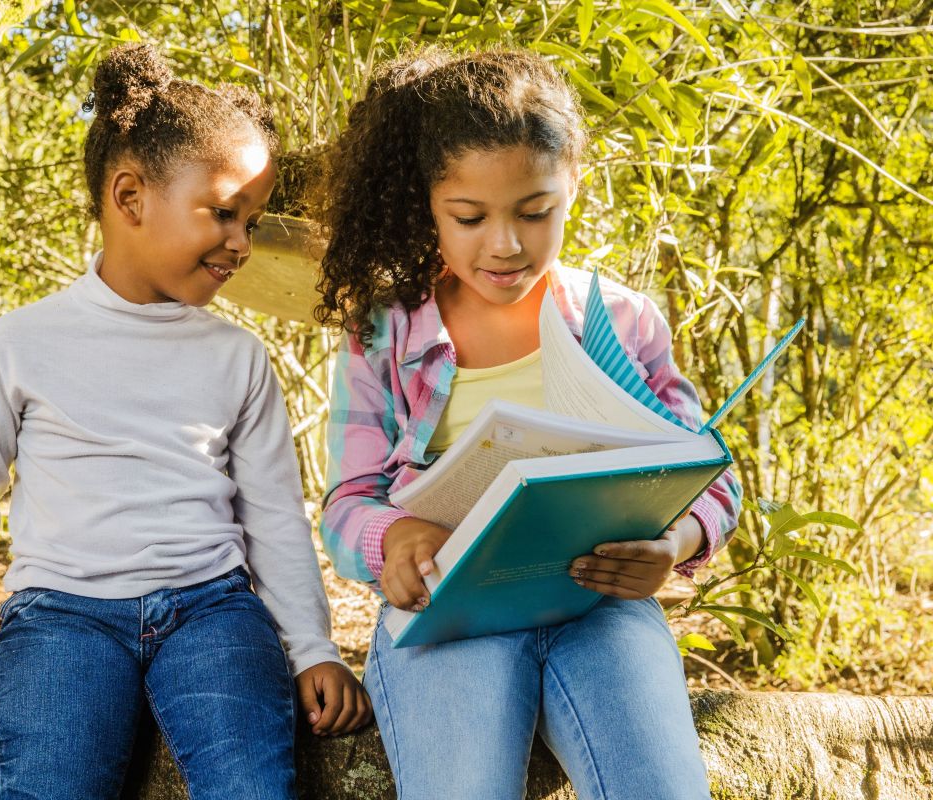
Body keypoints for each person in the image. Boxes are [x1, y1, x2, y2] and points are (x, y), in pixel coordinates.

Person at [0, 43, 371, 800]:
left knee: (253, 787)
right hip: (59, 621)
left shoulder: (238, 358)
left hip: (214, 612)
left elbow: (274, 518)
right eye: (225, 213)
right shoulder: (18, 345)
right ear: (130, 196)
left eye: (254, 219)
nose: (242, 241)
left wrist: (310, 647)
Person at [312, 47, 742, 800]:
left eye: (535, 211)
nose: (504, 245)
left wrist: (672, 544)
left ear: (574, 178)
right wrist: (394, 540)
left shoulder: (622, 323)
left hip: (599, 609)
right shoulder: (384, 334)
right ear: (427, 203)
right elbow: (346, 506)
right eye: (469, 217)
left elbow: (710, 471)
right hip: (451, 617)